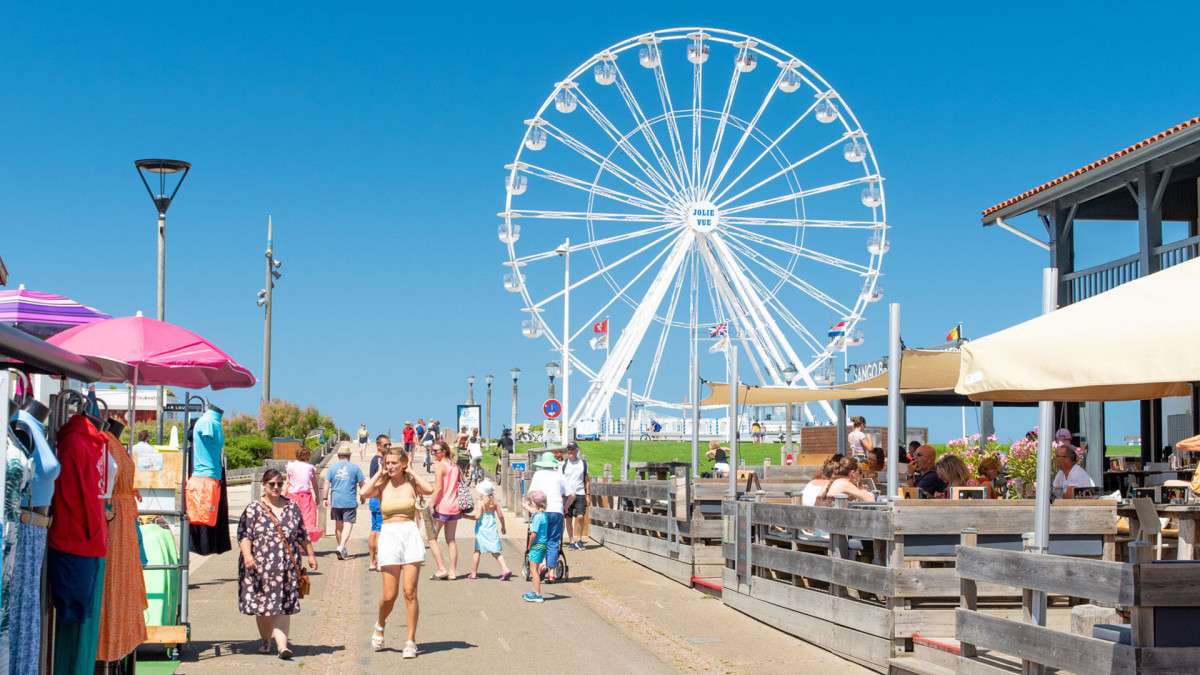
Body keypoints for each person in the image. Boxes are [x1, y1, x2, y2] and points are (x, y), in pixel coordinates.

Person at [360, 446, 433, 657]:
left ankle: (410, 640)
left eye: (394, 463)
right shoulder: (382, 485)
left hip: (409, 534)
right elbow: (364, 493)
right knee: (389, 595)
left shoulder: (412, 483)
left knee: (409, 592)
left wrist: (411, 471)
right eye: (387, 462)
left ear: (403, 463)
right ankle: (380, 623)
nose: (390, 466)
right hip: (389, 535)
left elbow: (428, 489)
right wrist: (379, 473)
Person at [238, 470, 317, 659]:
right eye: (271, 484)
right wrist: (247, 555)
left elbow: (301, 535)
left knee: (282, 606)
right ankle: (266, 641)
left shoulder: (292, 507)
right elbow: (244, 535)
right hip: (259, 568)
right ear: (263, 485)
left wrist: (311, 556)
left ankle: (282, 647)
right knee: (263, 607)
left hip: (286, 567)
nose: (275, 487)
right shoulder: (253, 509)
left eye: (279, 484)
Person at [526, 451, 569, 582]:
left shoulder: (538, 474)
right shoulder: (560, 476)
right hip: (557, 510)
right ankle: (552, 573)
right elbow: (571, 494)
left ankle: (543, 563)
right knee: (554, 541)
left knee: (541, 537)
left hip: (542, 511)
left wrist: (530, 504)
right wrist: (566, 506)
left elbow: (530, 493)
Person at [427, 441, 463, 579]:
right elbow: (461, 482)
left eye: (436, 451)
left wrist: (431, 505)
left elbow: (438, 488)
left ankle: (441, 568)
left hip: (443, 506)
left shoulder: (439, 466)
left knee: (432, 537)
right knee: (451, 540)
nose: (433, 454)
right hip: (455, 505)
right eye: (432, 451)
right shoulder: (455, 466)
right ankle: (452, 572)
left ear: (443, 452)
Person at [322, 447, 365, 560]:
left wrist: (325, 498)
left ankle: (342, 548)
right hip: (349, 500)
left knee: (338, 525)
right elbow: (362, 483)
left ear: (338, 456)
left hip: (336, 501)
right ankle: (341, 546)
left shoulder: (332, 468)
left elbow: (326, 483)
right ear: (349, 456)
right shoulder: (355, 467)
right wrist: (363, 495)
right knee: (348, 523)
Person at [468, 480, 511, 580]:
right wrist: (503, 527)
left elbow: (478, 517)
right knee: (495, 551)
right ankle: (505, 569)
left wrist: (466, 516)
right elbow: (500, 515)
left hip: (482, 530)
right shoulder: (495, 503)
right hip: (492, 529)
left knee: (477, 551)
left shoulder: (481, 504)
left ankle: (474, 573)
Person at [283, 446, 321, 543]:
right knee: (307, 520)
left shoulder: (290, 466)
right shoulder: (309, 468)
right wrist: (317, 496)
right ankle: (304, 542)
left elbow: (287, 483)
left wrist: (283, 495)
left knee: (291, 519)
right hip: (306, 496)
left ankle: (292, 541)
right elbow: (314, 483)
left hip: (292, 495)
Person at [366, 435, 390, 571]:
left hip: (374, 498)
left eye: (389, 444)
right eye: (385, 445)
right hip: (378, 497)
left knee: (375, 528)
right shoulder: (379, 460)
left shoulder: (376, 460)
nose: (388, 447)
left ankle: (373, 561)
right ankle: (379, 561)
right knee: (380, 529)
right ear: (378, 445)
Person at [560, 442, 589, 551]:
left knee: (580, 516)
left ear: (577, 450)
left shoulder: (583, 463)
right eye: (568, 449)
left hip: (580, 493)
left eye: (572, 449)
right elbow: (561, 480)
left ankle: (579, 539)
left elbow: (587, 480)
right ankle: (572, 540)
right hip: (567, 495)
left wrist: (588, 494)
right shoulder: (564, 464)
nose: (570, 451)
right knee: (568, 518)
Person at [522, 490, 549, 603]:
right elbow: (535, 511)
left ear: (534, 503)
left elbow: (533, 534)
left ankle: (538, 594)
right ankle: (534, 590)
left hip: (536, 546)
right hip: (543, 545)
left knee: (534, 570)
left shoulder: (537, 518)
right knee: (535, 569)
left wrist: (529, 546)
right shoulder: (543, 515)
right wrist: (527, 507)